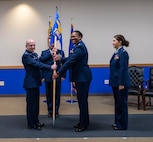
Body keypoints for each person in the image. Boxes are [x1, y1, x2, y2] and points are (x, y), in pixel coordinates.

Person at [53, 30, 92, 132]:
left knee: (82, 102)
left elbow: (70, 61)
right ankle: (82, 122)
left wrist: (58, 73)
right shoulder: (77, 46)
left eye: (74, 36)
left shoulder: (80, 47)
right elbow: (70, 58)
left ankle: (84, 125)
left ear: (80, 37)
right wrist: (60, 58)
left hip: (82, 77)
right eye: (71, 36)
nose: (72, 38)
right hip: (80, 77)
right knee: (81, 101)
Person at [22, 39, 57, 130]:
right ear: (26, 46)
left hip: (35, 82)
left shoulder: (34, 54)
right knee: (31, 105)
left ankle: (36, 121)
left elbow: (40, 60)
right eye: (30, 45)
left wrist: (50, 51)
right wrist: (50, 67)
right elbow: (37, 64)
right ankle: (31, 124)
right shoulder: (26, 56)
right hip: (30, 83)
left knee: (36, 105)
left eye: (34, 45)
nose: (33, 47)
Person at [109, 34, 130, 130]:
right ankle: (117, 122)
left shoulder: (123, 53)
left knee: (122, 104)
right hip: (115, 82)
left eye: (114, 41)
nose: (112, 42)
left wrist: (121, 83)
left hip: (121, 83)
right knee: (118, 104)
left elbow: (123, 69)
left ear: (120, 42)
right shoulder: (117, 52)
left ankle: (122, 125)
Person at [40, 38, 66, 118]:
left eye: (53, 42)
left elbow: (64, 64)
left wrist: (63, 75)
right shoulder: (44, 52)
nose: (52, 44)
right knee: (49, 94)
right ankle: (50, 111)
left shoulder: (61, 52)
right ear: (48, 43)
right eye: (50, 42)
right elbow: (41, 62)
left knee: (57, 94)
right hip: (47, 76)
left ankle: (56, 111)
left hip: (57, 76)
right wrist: (42, 76)